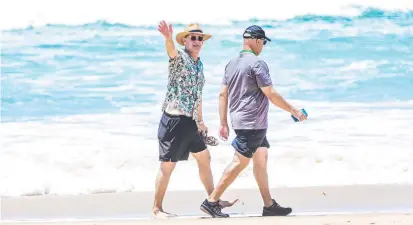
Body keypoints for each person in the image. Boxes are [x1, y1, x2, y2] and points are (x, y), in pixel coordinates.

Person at [199, 25, 308, 218]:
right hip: (252, 123)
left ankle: (269, 205)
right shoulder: (258, 64)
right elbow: (271, 93)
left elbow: (222, 94)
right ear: (257, 41)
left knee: (261, 158)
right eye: (263, 42)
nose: (263, 46)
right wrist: (294, 110)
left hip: (240, 121)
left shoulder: (231, 64)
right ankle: (211, 201)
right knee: (239, 162)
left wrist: (223, 122)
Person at [153, 21, 237, 218]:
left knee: (204, 158)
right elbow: (171, 51)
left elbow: (197, 95)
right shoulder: (180, 57)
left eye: (200, 38)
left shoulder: (199, 64)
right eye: (193, 38)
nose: (197, 41)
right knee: (167, 166)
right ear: (185, 41)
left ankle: (212, 201)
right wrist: (167, 38)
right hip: (173, 121)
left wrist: (200, 120)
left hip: (190, 122)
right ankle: (156, 209)